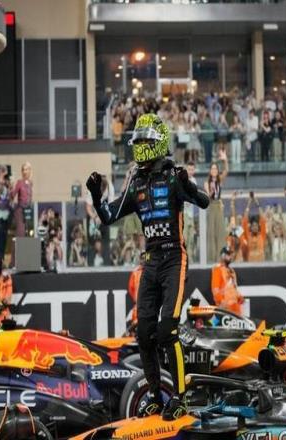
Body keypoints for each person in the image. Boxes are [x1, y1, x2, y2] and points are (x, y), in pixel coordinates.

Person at [86, 113, 209, 420]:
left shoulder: (174, 176)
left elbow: (205, 201)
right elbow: (108, 216)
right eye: (137, 140)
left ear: (157, 143)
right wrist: (96, 196)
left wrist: (188, 186)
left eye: (144, 140)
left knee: (167, 331)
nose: (139, 145)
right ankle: (155, 396)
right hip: (150, 262)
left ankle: (180, 398)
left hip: (174, 259)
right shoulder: (136, 182)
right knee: (143, 334)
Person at [204, 151, 228, 263]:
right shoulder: (206, 182)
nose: (214, 170)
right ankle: (211, 258)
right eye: (212, 169)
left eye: (215, 169)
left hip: (218, 206)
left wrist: (225, 159)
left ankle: (220, 258)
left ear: (217, 171)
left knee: (220, 232)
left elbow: (226, 171)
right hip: (211, 205)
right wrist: (212, 191)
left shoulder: (220, 180)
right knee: (211, 233)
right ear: (210, 171)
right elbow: (208, 197)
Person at [211, 246, 244, 315]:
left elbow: (234, 288)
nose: (231, 257)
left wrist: (239, 296)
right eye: (228, 255)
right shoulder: (217, 269)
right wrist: (221, 301)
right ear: (223, 256)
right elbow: (215, 289)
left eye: (231, 255)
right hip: (224, 308)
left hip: (235, 307)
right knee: (219, 320)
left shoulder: (232, 271)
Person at [0, 165, 12, 260]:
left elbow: (10, 197)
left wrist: (9, 187)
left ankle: (2, 258)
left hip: (6, 214)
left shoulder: (7, 182)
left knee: (4, 238)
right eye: (3, 171)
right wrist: (1, 186)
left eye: (5, 172)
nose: (4, 173)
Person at [183, 162, 197, 262]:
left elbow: (194, 195)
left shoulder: (194, 181)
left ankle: (190, 259)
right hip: (184, 214)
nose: (190, 171)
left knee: (191, 238)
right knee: (185, 238)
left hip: (191, 214)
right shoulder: (182, 180)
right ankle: (184, 259)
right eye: (189, 169)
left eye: (192, 169)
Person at [128, 251, 145, 327]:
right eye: (142, 258)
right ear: (140, 260)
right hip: (138, 305)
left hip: (150, 305)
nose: (144, 260)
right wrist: (136, 299)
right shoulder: (135, 272)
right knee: (135, 325)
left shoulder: (153, 271)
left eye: (145, 258)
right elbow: (131, 289)